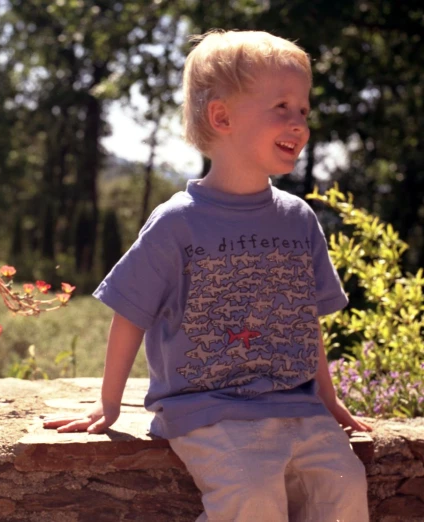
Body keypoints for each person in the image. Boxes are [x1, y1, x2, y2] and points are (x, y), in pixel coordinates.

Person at [43, 30, 372, 521]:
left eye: (303, 109)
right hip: (204, 410)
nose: (298, 123)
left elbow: (304, 318)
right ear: (221, 117)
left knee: (346, 486)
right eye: (281, 106)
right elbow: (129, 312)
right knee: (252, 496)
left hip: (296, 405)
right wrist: (107, 405)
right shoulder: (178, 222)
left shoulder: (299, 219)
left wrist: (327, 397)